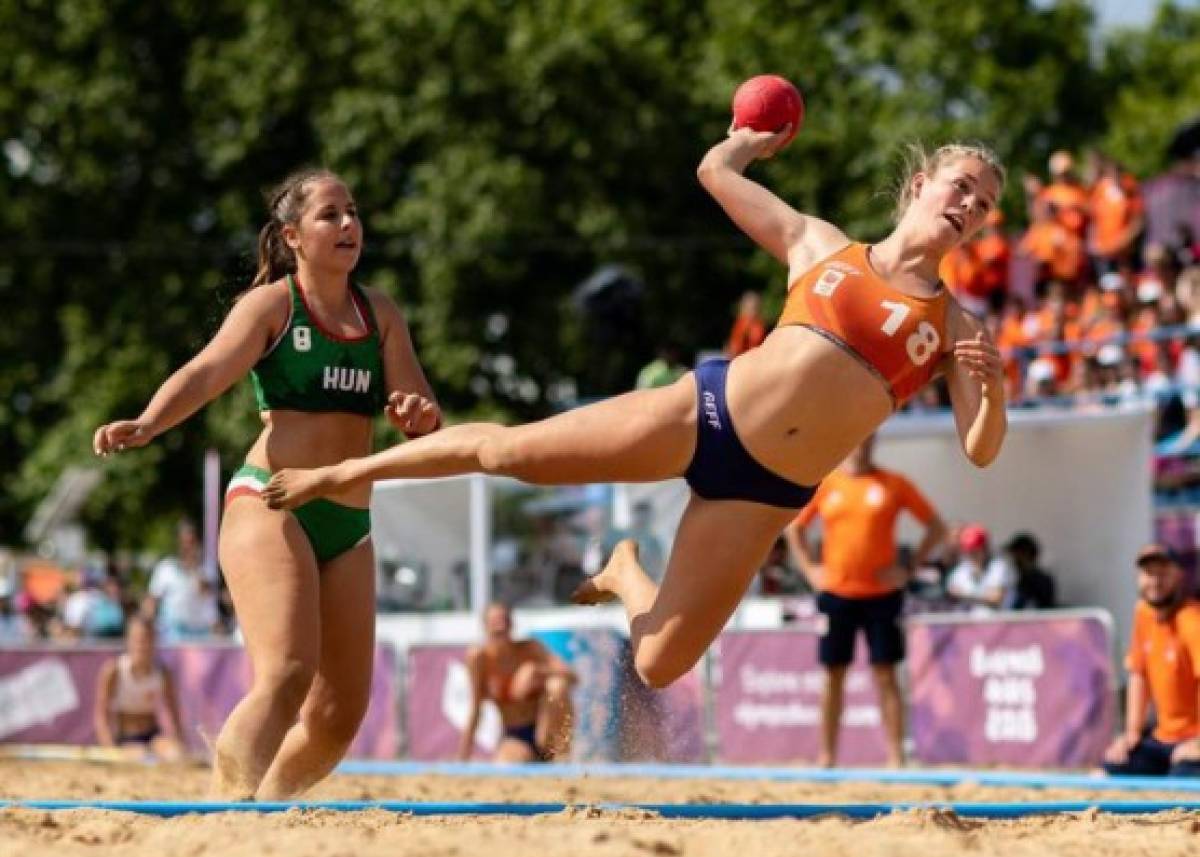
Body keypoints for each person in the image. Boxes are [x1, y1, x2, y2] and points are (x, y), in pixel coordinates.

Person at [263, 129, 1007, 692]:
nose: (968, 205)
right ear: (919, 184)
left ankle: (623, 571)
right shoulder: (823, 245)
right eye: (961, 185)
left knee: (657, 664)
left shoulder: (957, 331)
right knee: (509, 453)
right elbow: (715, 172)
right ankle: (347, 470)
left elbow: (980, 449)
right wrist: (746, 138)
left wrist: (993, 387)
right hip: (705, 415)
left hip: (766, 493)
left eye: (983, 203)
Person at [93, 168, 441, 799]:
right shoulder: (273, 305)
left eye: (354, 212)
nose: (348, 225)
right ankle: (228, 812)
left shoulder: (380, 311)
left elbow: (422, 408)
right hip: (271, 503)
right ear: (292, 235)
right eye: (330, 215)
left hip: (347, 523)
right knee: (285, 674)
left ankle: (266, 810)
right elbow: (205, 373)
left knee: (339, 717)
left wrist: (417, 415)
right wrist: (148, 422)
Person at [784, 434, 947, 767]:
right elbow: (794, 529)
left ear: (874, 442)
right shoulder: (826, 483)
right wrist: (811, 571)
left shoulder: (893, 483)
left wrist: (909, 568)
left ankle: (895, 756)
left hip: (881, 595)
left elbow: (936, 527)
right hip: (836, 594)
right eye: (857, 439)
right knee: (833, 674)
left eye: (868, 439)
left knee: (885, 674)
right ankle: (827, 756)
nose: (861, 445)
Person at [1103, 544, 1200, 777]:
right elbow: (1138, 673)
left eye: (1163, 573)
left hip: (1193, 738)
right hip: (1162, 739)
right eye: (1149, 573)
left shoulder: (1192, 619)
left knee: (1182, 780)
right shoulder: (1143, 613)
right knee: (1116, 765)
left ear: (1179, 575)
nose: (1155, 581)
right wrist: (1131, 734)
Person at [459, 603, 576, 762]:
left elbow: (573, 676)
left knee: (557, 685)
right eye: (494, 622)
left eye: (504, 621)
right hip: (516, 733)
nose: (500, 627)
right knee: (507, 766)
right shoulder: (480, 659)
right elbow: (475, 707)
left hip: (545, 729)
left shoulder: (530, 649)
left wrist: (537, 671)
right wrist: (462, 757)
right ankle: (538, 757)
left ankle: (559, 753)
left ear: (511, 624)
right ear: (485, 627)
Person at [93, 615, 186, 761]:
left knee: (175, 755)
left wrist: (180, 741)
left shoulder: (162, 673)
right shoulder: (114, 670)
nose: (143, 645)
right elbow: (101, 714)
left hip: (153, 735)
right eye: (138, 640)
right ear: (129, 641)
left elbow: (173, 711)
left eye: (148, 640)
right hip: (127, 738)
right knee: (142, 757)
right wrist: (109, 747)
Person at [146, 520, 218, 640]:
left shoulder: (206, 569)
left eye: (191, 542)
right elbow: (152, 601)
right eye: (184, 542)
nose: (187, 546)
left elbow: (206, 592)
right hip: (171, 634)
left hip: (199, 633)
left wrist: (194, 567)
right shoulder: (165, 567)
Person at [945, 523, 1013, 610]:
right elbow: (952, 593)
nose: (971, 555)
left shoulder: (999, 566)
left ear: (985, 548)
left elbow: (995, 598)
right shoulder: (961, 570)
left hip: (999, 620)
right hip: (968, 621)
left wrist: (964, 595)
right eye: (968, 551)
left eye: (975, 551)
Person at [1003, 532, 1057, 610]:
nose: (1013, 559)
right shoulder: (1017, 577)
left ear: (1025, 554)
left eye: (1016, 554)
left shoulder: (1041, 580)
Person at [725, 290, 768, 356]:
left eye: (754, 307)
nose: (752, 310)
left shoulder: (760, 324)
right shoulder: (741, 324)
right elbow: (734, 348)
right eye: (751, 307)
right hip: (745, 359)